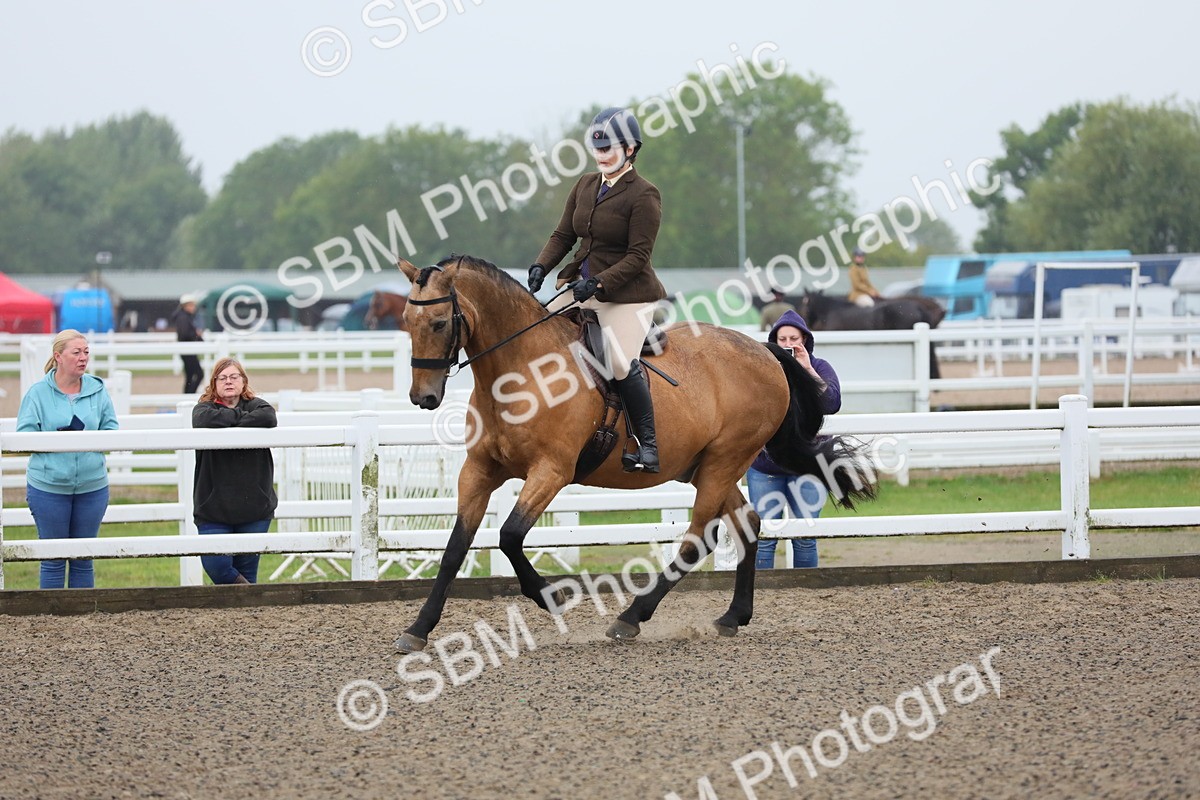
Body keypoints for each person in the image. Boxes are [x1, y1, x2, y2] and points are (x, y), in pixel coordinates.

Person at [527, 107, 667, 473]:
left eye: (610, 149)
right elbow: (563, 235)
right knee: (535, 333)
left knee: (620, 362)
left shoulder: (644, 194)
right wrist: (543, 264)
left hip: (628, 294)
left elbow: (639, 256)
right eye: (598, 147)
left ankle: (647, 444)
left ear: (631, 149)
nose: (602, 155)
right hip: (580, 285)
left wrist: (600, 283)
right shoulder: (586, 184)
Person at [17, 330, 119, 589]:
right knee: (52, 558)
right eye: (76, 352)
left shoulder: (98, 390)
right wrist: (55, 441)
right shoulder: (37, 393)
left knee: (83, 557)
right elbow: (24, 435)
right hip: (48, 486)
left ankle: (82, 621)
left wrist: (89, 441)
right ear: (58, 356)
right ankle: (51, 620)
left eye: (86, 352)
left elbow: (112, 430)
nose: (83, 358)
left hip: (92, 485)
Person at [747, 309, 842, 569]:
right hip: (766, 467)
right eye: (782, 340)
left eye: (793, 339)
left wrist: (807, 369)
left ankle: (804, 589)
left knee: (805, 538)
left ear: (805, 340)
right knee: (764, 536)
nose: (788, 344)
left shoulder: (820, 367)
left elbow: (831, 403)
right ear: (774, 342)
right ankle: (761, 594)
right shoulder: (764, 371)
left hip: (807, 465)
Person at [192, 358, 278, 585]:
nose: (228, 382)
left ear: (243, 381)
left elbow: (269, 417)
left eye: (233, 377)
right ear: (214, 383)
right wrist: (241, 419)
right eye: (222, 378)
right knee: (217, 565)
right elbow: (204, 420)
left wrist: (228, 419)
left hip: (254, 505)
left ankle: (246, 616)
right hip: (213, 506)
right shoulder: (204, 409)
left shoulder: (259, 406)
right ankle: (252, 597)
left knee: (247, 569)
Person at [174, 292, 205, 393]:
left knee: (190, 375)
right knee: (198, 374)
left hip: (187, 350)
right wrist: (197, 335)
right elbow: (185, 334)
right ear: (185, 306)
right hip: (188, 351)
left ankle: (187, 395)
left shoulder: (184, 317)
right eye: (191, 305)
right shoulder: (183, 318)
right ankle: (189, 394)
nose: (193, 307)